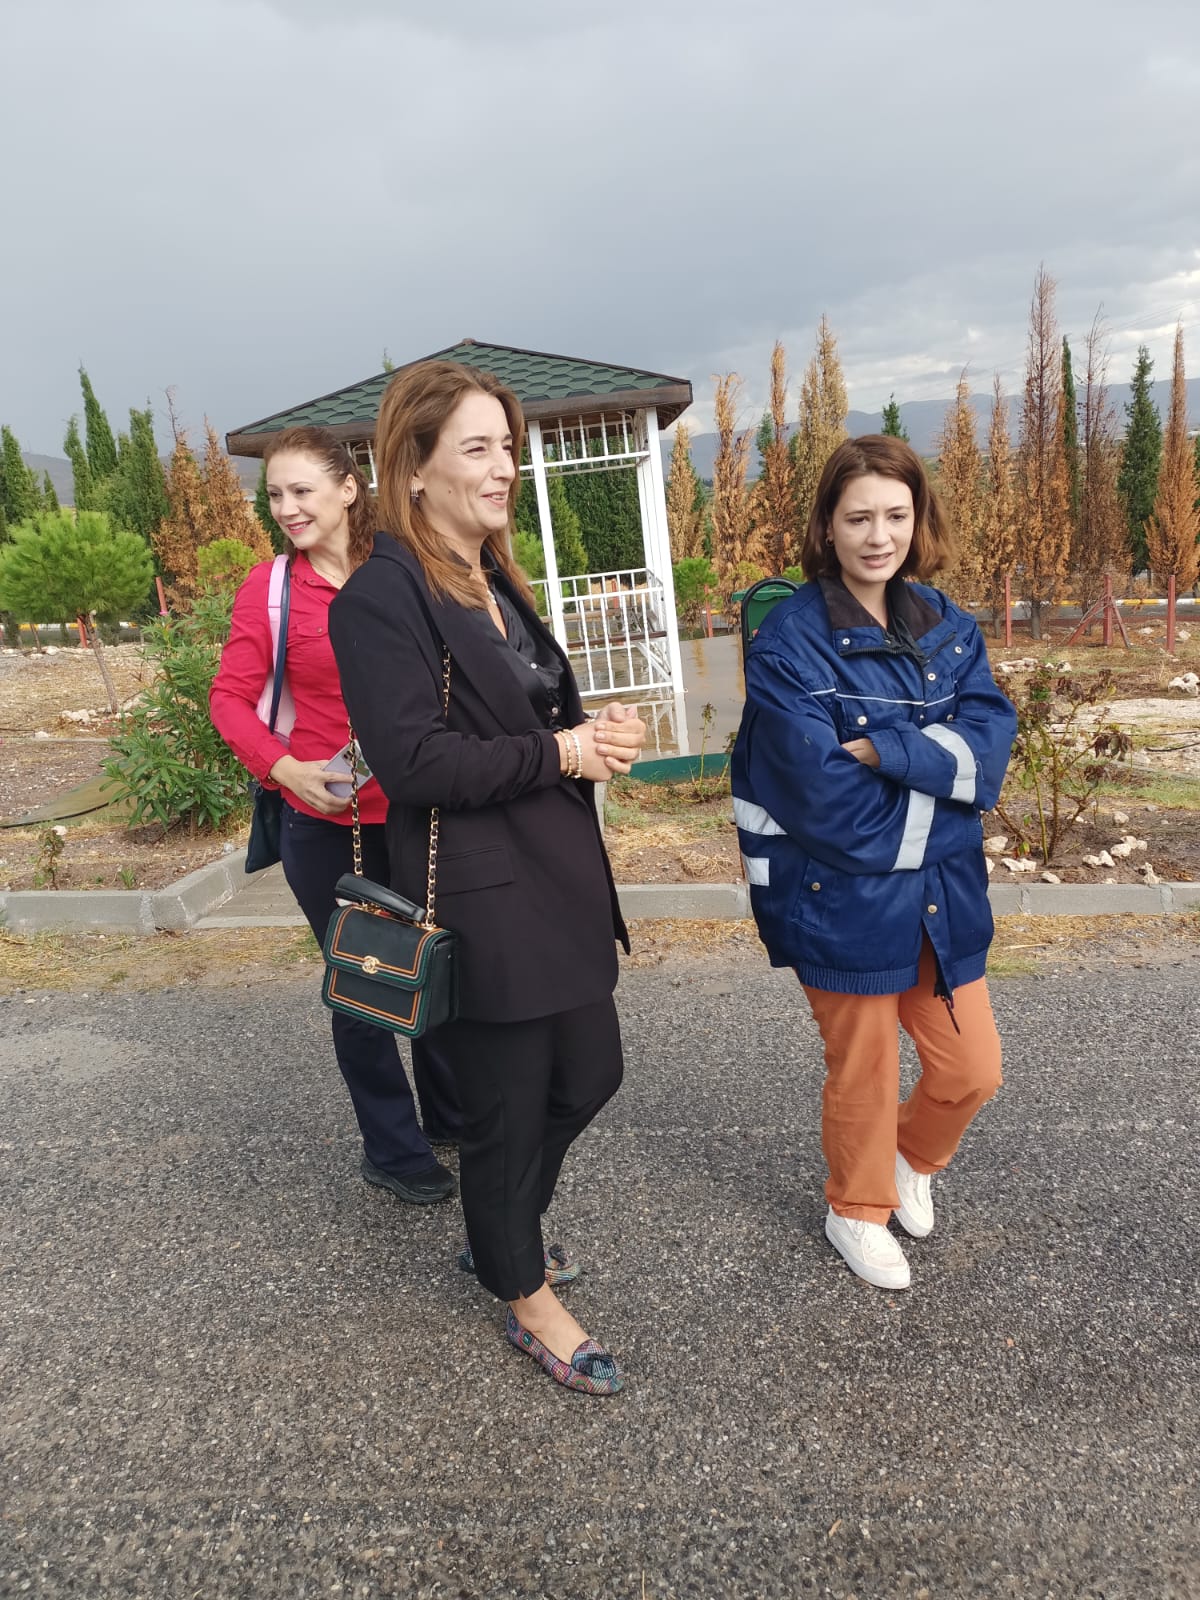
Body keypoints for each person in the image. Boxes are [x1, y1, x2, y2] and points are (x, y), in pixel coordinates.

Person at [327, 361, 646, 1396]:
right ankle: (524, 1290)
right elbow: (414, 761)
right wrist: (562, 752)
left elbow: (528, 715)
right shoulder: (381, 595)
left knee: (590, 1074)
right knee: (508, 1108)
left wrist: (589, 735)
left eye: (507, 445)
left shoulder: (492, 574)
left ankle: (499, 1225)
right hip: (481, 896)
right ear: (414, 468)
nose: (505, 465)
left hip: (556, 879)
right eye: (478, 447)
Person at [731, 435, 1017, 1291]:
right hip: (835, 897)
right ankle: (854, 1209)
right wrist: (945, 786)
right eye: (858, 517)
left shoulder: (946, 623)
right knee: (865, 1069)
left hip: (940, 895)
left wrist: (888, 751)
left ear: (918, 518)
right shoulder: (788, 645)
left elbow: (989, 752)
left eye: (896, 515)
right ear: (828, 524)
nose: (878, 536)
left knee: (972, 1070)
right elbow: (828, 806)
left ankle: (908, 1159)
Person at [210, 425, 461, 1205]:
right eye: (274, 495)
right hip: (324, 825)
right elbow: (228, 700)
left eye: (302, 490)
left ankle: (451, 1115)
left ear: (349, 489)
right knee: (365, 981)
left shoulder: (404, 568)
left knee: (441, 964)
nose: (286, 507)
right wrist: (283, 768)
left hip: (418, 811)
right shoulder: (272, 591)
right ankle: (393, 1148)